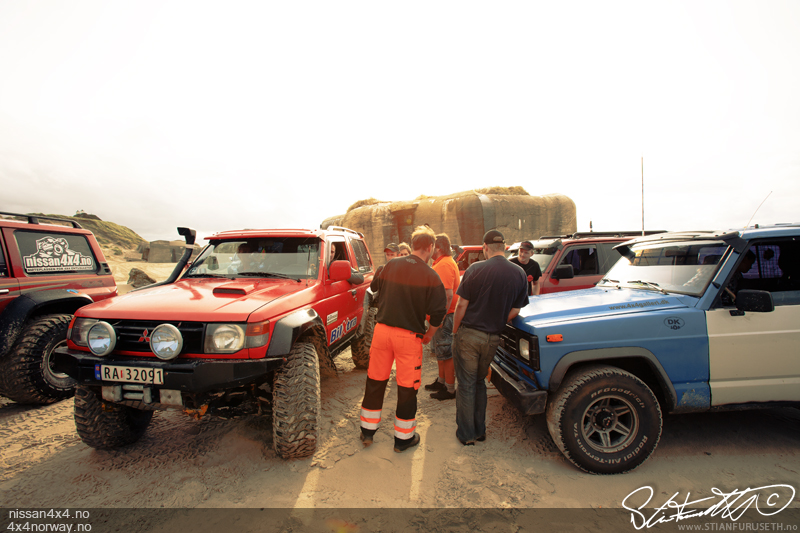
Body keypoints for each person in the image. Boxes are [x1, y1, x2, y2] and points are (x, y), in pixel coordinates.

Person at [359, 226, 447, 453]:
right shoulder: (431, 275)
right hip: (408, 337)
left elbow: (375, 288)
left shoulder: (390, 265)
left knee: (375, 380)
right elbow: (439, 312)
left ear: (413, 244)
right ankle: (403, 439)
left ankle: (367, 432)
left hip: (381, 332)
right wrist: (429, 334)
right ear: (430, 247)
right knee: (407, 387)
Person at [451, 230, 529, 445]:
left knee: (466, 384)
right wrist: (497, 319)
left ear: (485, 247)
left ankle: (466, 434)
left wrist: (455, 331)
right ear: (503, 247)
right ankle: (480, 431)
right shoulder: (519, 273)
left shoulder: (476, 269)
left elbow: (461, 304)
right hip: (493, 337)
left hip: (469, 335)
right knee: (479, 382)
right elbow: (516, 310)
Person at [425, 234, 460, 400]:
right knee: (442, 351)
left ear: (438, 247)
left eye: (432, 245)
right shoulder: (442, 262)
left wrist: (440, 317)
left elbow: (447, 294)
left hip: (446, 316)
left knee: (446, 353)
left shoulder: (444, 264)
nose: (429, 249)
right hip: (445, 315)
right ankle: (442, 381)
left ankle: (450, 389)